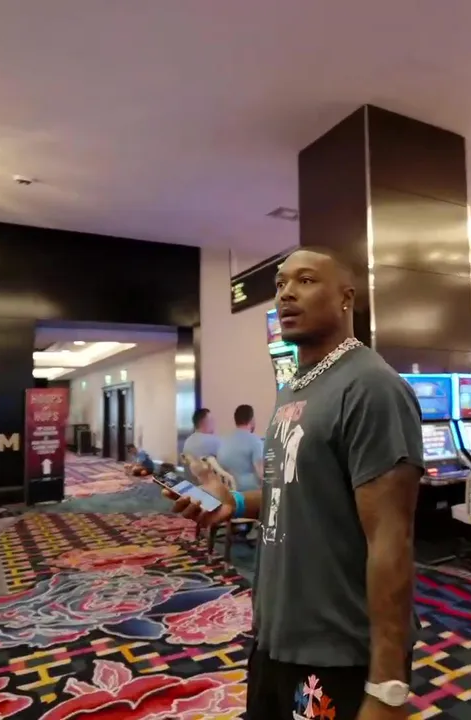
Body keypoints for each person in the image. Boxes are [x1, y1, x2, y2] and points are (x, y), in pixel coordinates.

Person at [167, 247, 423, 718]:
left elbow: (392, 541)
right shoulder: (296, 386)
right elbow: (298, 493)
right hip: (278, 634)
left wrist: (387, 685)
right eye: (280, 283)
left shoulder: (372, 387)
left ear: (346, 298)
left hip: (335, 651)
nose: (286, 293)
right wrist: (235, 501)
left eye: (305, 281)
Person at [217, 404, 264, 493]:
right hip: (248, 492)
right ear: (252, 420)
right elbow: (261, 473)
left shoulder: (224, 440)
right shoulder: (255, 441)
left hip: (226, 490)